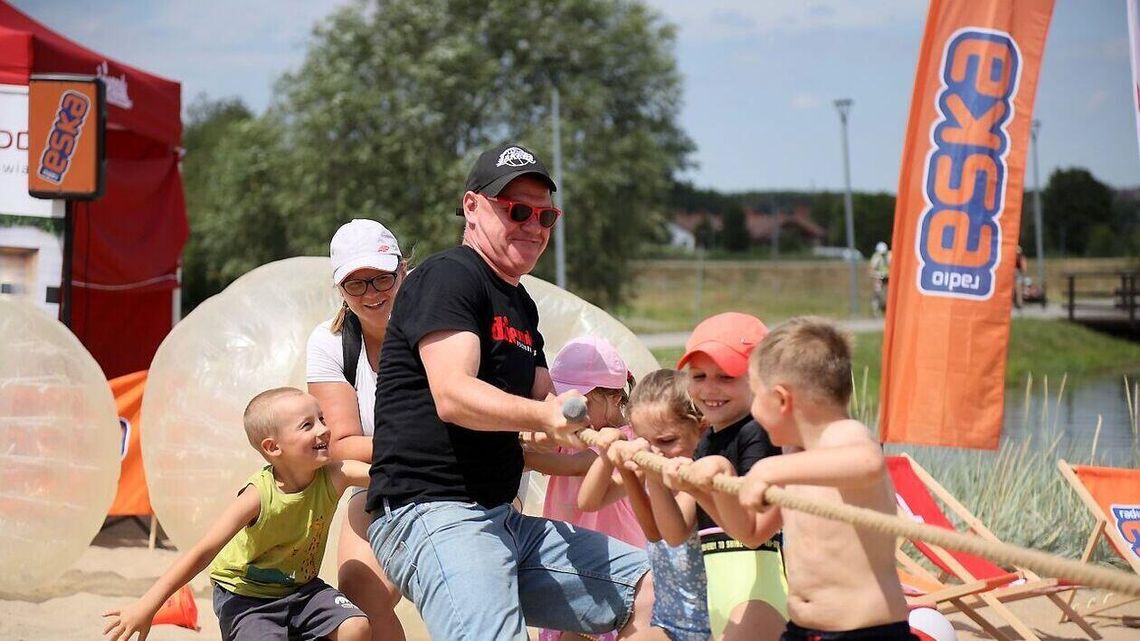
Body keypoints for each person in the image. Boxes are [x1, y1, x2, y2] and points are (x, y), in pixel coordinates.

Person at [366, 142, 654, 641]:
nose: (534, 225)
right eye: (517, 210)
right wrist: (545, 420)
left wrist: (635, 434)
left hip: (503, 520)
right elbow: (453, 395)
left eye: (547, 216)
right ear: (472, 206)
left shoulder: (520, 303)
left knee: (652, 591)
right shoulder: (449, 276)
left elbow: (550, 400)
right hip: (434, 512)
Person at [103, 388, 371, 641]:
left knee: (355, 627)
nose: (324, 429)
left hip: (303, 590)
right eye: (307, 425)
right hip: (245, 598)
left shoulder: (337, 475)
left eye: (321, 418)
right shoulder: (257, 496)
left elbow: (384, 476)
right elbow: (202, 552)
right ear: (273, 448)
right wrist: (147, 605)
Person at [710, 317, 914, 641]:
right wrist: (713, 487)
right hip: (804, 629)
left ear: (780, 400)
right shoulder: (794, 456)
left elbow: (869, 461)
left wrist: (767, 471)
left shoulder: (843, 435)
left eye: (754, 393)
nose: (752, 407)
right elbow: (750, 533)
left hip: (865, 633)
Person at [306, 219, 407, 641]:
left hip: (466, 481)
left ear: (403, 270)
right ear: (340, 291)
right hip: (381, 481)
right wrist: (422, 446)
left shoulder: (443, 322)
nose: (372, 293)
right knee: (358, 591)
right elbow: (342, 445)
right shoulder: (330, 344)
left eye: (382, 278)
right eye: (356, 284)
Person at [673, 312, 787, 641]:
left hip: (761, 591)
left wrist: (714, 478)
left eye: (725, 377)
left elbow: (753, 531)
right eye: (698, 376)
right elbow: (675, 532)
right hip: (720, 592)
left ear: (759, 378)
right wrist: (647, 474)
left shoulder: (760, 433)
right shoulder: (706, 441)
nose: (709, 389)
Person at [579, 369, 712, 641]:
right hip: (666, 618)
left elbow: (668, 534)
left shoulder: (698, 475)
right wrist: (608, 456)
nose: (655, 452)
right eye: (646, 441)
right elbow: (589, 502)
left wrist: (641, 475)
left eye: (667, 441)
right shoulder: (654, 465)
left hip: (707, 624)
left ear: (701, 428)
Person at [532, 336, 646, 641]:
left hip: (613, 571)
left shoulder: (622, 438)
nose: (571, 411)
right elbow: (541, 452)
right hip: (571, 565)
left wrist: (496, 450)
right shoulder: (572, 434)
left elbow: (569, 465)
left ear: (611, 398)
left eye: (582, 402)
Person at [869, 242, 890, 315]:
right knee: (878, 292)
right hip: (879, 278)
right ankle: (877, 306)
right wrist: (877, 274)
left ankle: (887, 307)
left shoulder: (890, 256)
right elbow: (871, 269)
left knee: (888, 293)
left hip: (888, 277)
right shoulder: (876, 258)